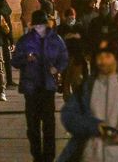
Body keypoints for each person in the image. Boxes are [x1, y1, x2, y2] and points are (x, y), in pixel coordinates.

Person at [57, 40, 118, 162]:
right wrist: (94, 126)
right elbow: (68, 115)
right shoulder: (88, 87)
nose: (102, 61)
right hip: (90, 154)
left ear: (116, 59)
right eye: (100, 57)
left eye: (107, 56)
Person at [11, 9, 70, 162]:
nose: (39, 28)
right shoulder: (26, 40)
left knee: (49, 124)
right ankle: (37, 155)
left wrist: (57, 68)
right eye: (36, 25)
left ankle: (49, 157)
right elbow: (15, 61)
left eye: (41, 25)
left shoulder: (55, 39)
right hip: (31, 87)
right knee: (33, 125)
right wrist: (26, 58)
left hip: (48, 86)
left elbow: (64, 57)